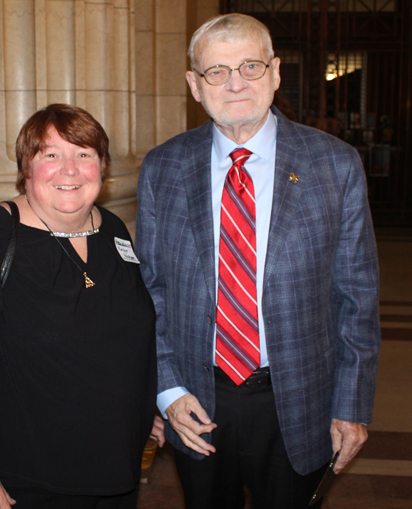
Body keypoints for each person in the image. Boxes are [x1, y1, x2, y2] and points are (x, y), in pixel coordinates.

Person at [136, 13, 380, 509]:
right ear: (194, 86)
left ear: (275, 72)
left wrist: (351, 406)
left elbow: (357, 296)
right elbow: (150, 289)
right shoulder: (163, 166)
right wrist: (166, 391)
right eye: (216, 71)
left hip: (300, 398)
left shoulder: (334, 164)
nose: (235, 83)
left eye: (250, 66)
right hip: (196, 399)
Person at [0, 103, 161, 509]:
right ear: (26, 168)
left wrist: (141, 404)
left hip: (115, 471)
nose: (70, 169)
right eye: (51, 155)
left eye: (84, 154)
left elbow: (123, 334)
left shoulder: (114, 231)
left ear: (102, 166)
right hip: (25, 481)